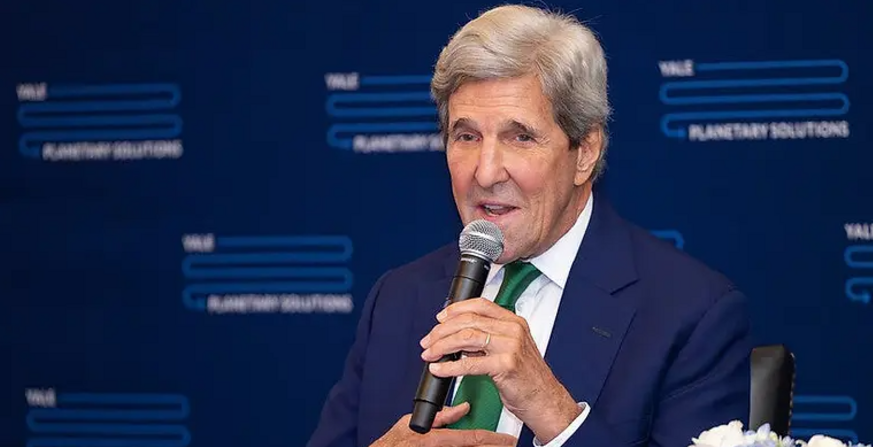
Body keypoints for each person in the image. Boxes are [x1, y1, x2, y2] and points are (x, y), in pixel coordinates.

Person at [306, 4, 752, 447]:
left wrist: (554, 416)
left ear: (585, 152)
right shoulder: (398, 299)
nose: (485, 173)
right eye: (466, 136)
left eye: (520, 137)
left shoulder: (689, 313)